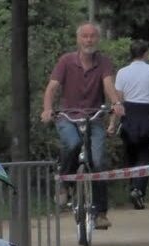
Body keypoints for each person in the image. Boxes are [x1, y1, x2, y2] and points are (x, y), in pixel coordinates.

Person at [41, 22, 124, 233]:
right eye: (85, 36)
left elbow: (108, 84)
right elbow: (52, 88)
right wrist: (48, 109)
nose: (88, 40)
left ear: (98, 39)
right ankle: (64, 183)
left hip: (93, 117)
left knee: (98, 162)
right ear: (78, 39)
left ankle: (100, 213)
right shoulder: (66, 61)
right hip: (68, 116)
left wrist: (116, 103)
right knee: (73, 143)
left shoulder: (103, 62)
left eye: (92, 36)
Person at [115, 41, 149, 209]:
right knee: (145, 154)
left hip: (129, 113)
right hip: (148, 114)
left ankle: (133, 185)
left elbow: (118, 100)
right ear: (146, 53)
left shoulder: (122, 72)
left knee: (131, 152)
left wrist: (113, 122)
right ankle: (139, 189)